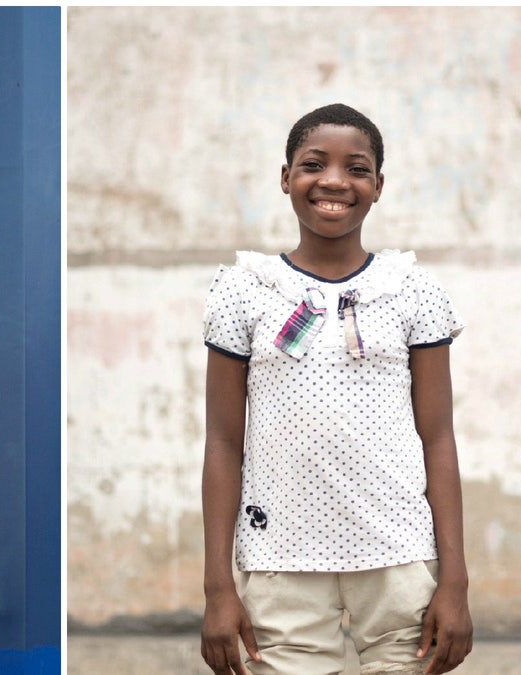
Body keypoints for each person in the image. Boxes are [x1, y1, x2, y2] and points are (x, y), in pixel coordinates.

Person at [199, 103, 473, 675]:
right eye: (313, 164)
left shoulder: (412, 291)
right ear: (286, 178)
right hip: (279, 561)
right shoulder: (243, 292)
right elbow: (224, 442)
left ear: (377, 186)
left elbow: (439, 438)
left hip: (399, 556)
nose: (334, 181)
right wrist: (217, 588)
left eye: (357, 168)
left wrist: (455, 581)